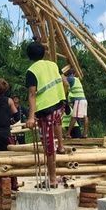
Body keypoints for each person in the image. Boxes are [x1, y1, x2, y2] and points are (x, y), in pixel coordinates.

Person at [24, 39, 68, 188]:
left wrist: (31, 117)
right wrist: (63, 98)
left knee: (48, 145)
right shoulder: (53, 65)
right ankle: (61, 147)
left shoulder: (31, 71)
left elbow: (32, 94)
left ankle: (52, 179)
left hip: (45, 110)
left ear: (29, 56)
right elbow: (65, 83)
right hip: (59, 106)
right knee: (56, 126)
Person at [64, 69, 88, 138]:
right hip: (83, 100)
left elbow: (62, 78)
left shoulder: (71, 79)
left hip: (78, 100)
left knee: (74, 117)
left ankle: (68, 133)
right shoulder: (77, 80)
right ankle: (85, 133)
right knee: (85, 117)